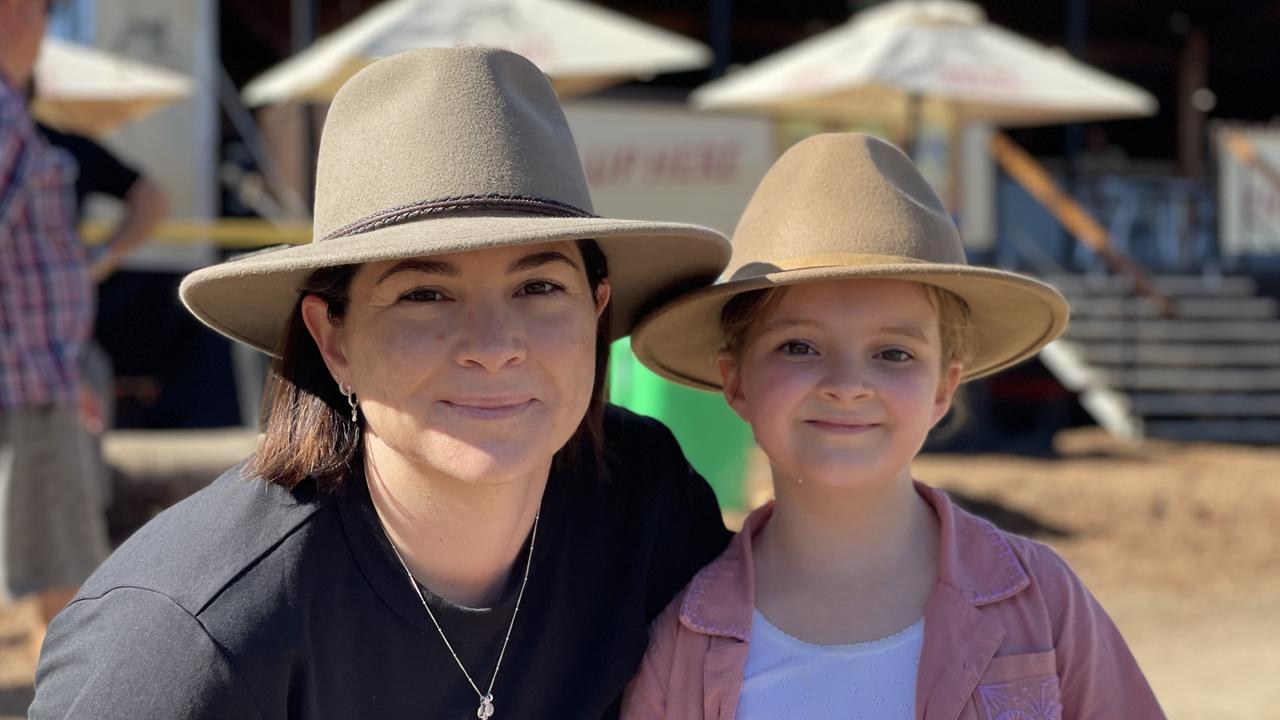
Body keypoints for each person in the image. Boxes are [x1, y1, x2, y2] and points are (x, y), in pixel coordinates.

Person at [31, 47, 733, 718]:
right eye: (425, 295)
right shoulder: (184, 641)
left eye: (540, 285)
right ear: (332, 337)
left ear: (596, 307)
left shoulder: (646, 506)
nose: (492, 347)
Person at [623, 134, 1165, 718]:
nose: (848, 383)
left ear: (943, 388)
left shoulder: (1044, 604)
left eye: (894, 354)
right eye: (799, 346)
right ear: (736, 384)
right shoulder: (683, 641)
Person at [0, 0, 111, 663]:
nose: (47, 26)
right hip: (32, 385)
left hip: (41, 378)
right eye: (44, 10)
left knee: (56, 572)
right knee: (64, 576)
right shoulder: (7, 119)